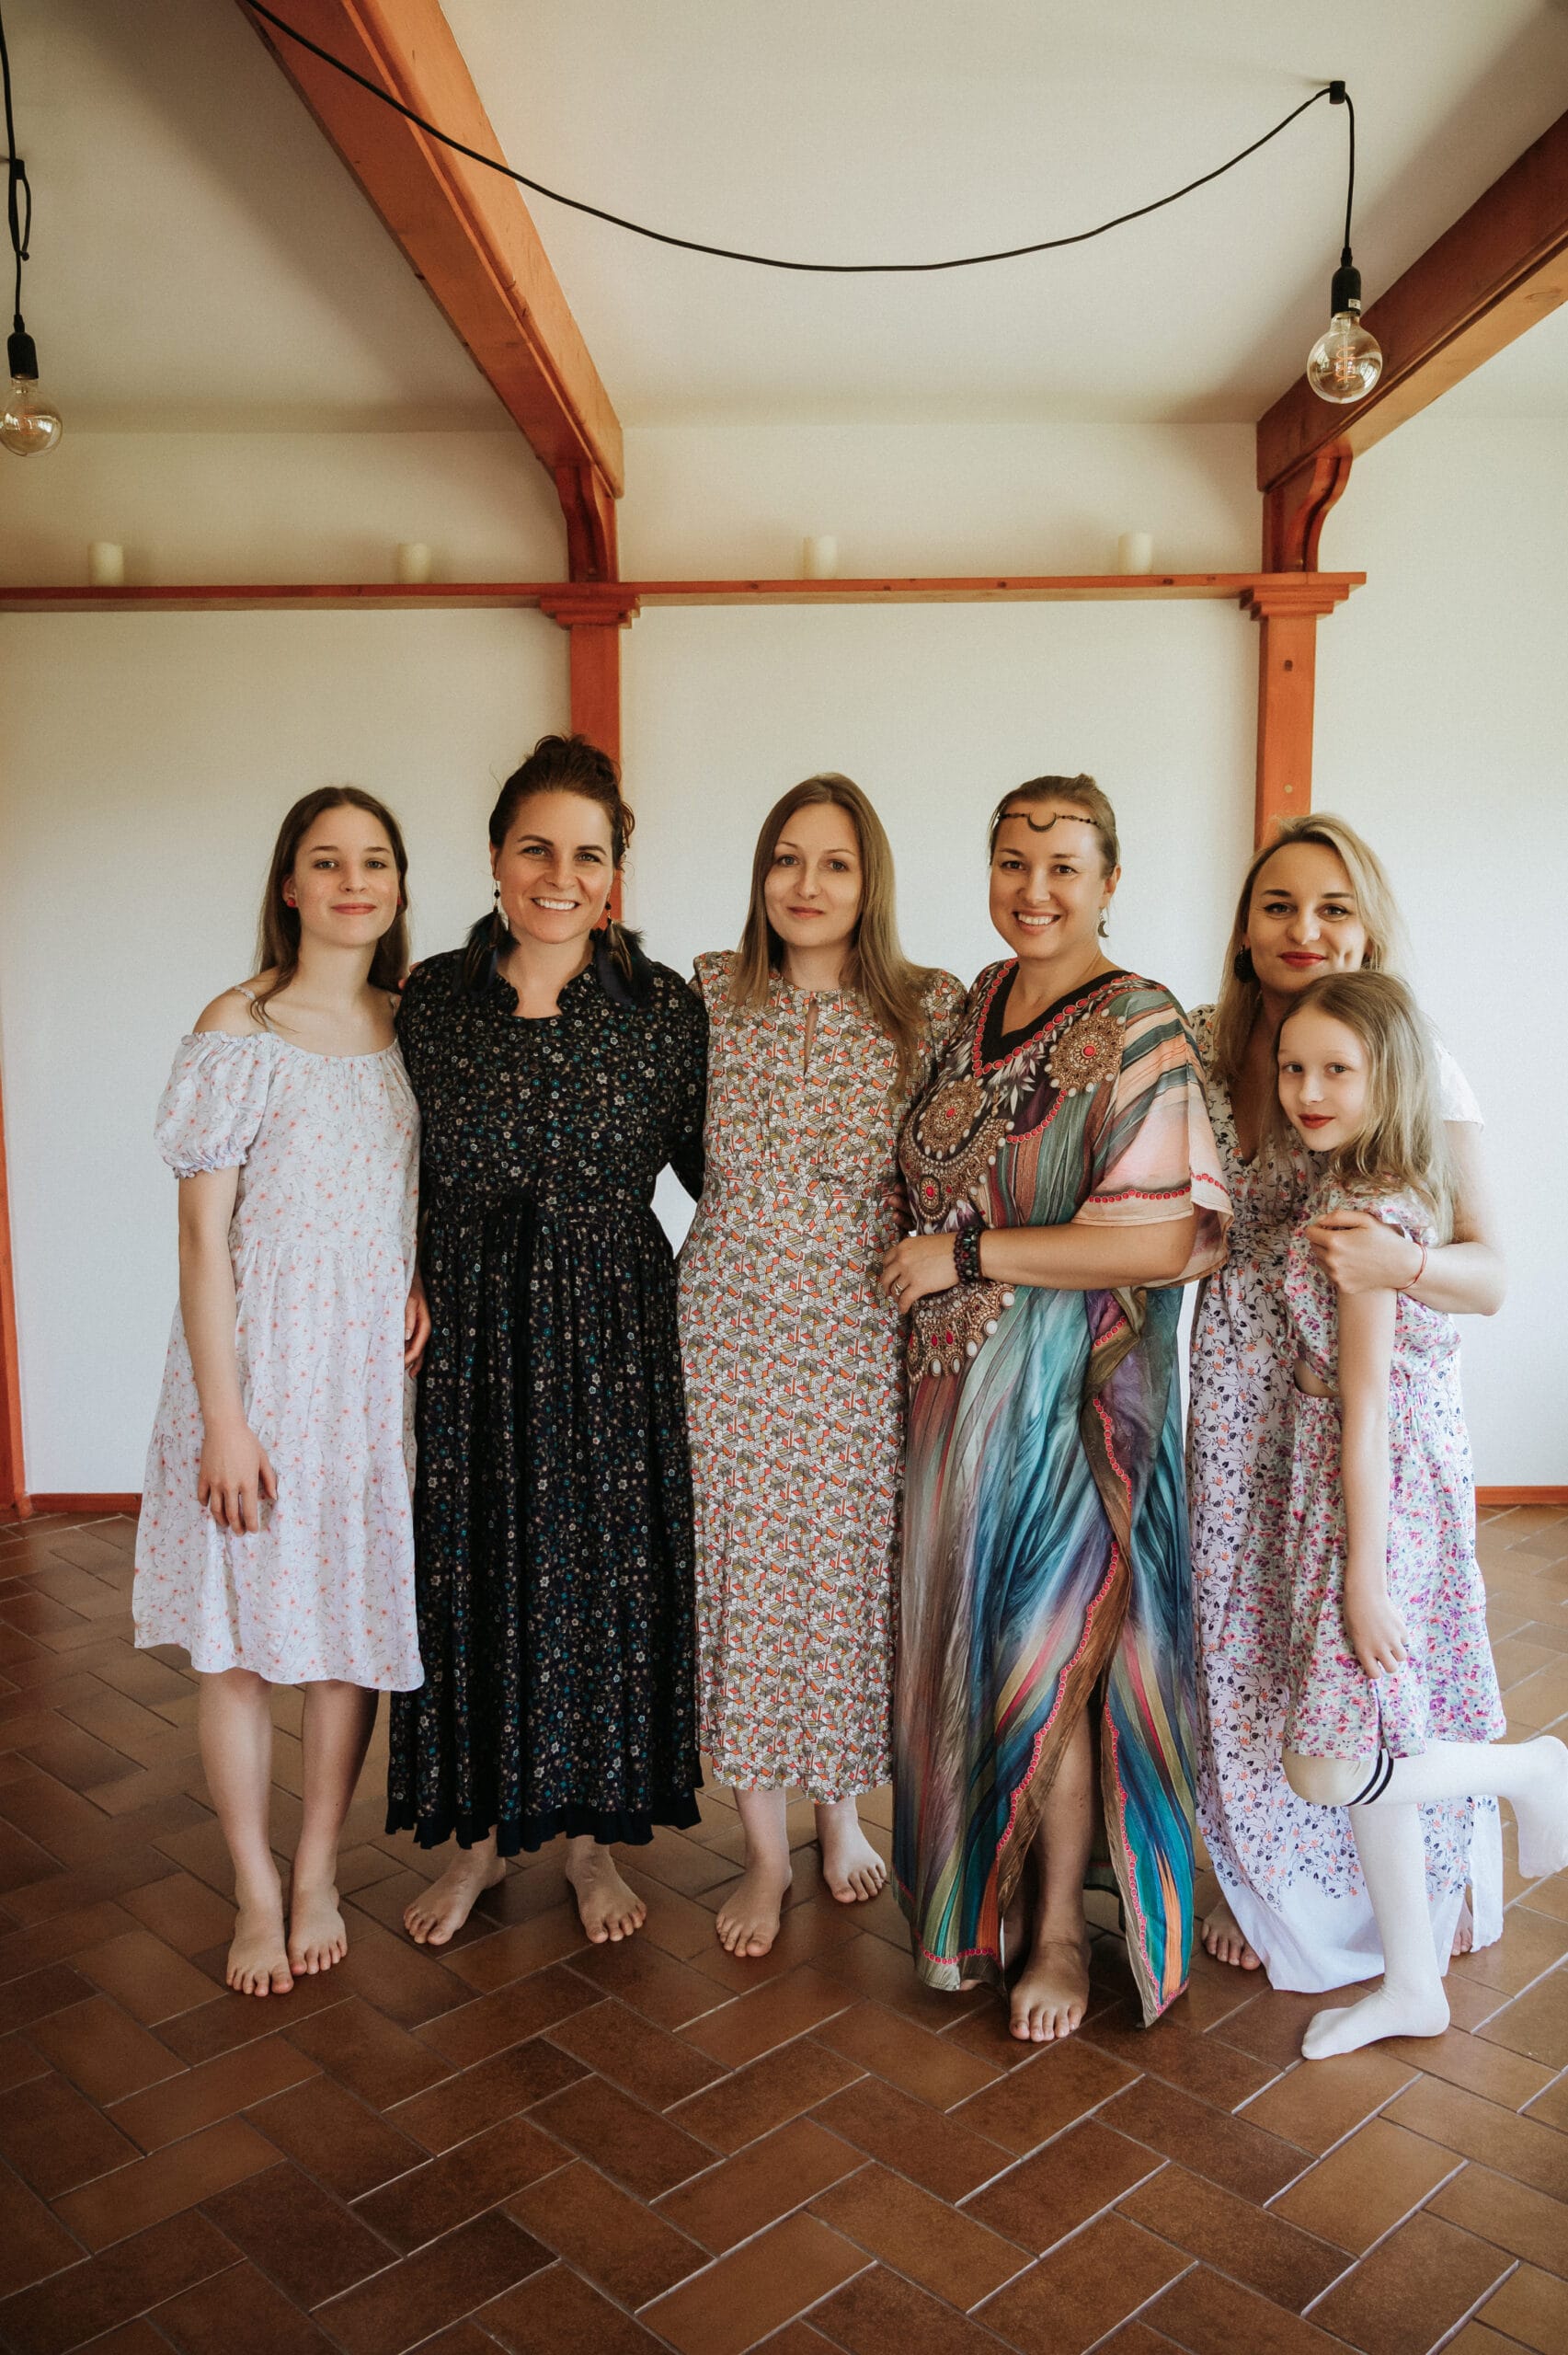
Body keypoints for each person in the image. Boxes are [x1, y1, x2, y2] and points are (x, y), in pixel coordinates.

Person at [884, 775, 1229, 2040]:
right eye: (1013, 862)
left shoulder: (1141, 1025)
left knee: (1056, 1655)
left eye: (1064, 867)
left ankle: (1062, 1936)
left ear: (1108, 882)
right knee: (981, 1654)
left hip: (1073, 1403)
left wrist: (968, 1257)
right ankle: (990, 1903)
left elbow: (1163, 1241)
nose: (1034, 890)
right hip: (951, 1404)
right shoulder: (967, 1004)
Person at [386, 733, 707, 1949]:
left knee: (598, 1578)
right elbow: (380, 1163)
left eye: (587, 854)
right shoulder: (430, 1000)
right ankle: (476, 1842)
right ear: (494, 857)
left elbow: (724, 1181)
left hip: (611, 1327)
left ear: (615, 869)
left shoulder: (663, 1011)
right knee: (468, 1570)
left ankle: (587, 1843)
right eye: (536, 849)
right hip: (468, 1326)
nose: (559, 877)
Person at [1188, 816, 1507, 1991]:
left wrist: (1399, 1265)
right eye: (1278, 904)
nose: (1305, 928)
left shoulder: (1407, 1057)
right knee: (1247, 1643)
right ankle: (1276, 1892)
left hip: (1363, 1395)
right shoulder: (1214, 1054)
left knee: (1373, 1649)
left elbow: (1490, 1272)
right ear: (1244, 927)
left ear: (1367, 927)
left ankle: (1408, 1896)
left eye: (1332, 906)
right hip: (1242, 1398)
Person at [136, 788, 426, 1998]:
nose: (354, 881)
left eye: (375, 861)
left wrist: (418, 1278)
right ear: (292, 885)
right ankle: (253, 1888)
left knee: (346, 1637)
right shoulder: (238, 1025)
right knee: (240, 1651)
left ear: (398, 886)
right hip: (253, 1375)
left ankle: (316, 1873)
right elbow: (202, 1241)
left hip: (362, 1389)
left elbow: (411, 1189)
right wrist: (225, 1420)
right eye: (328, 860)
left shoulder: (411, 1024)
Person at [680, 775, 964, 1958]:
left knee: (848, 1576)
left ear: (869, 879)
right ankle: (760, 1850)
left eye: (834, 863)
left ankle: (841, 1812)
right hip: (729, 1325)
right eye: (785, 859)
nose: (806, 884)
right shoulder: (708, 991)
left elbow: (964, 1162)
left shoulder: (927, 1007)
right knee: (745, 1576)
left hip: (860, 1330)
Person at [1272, 971, 1567, 2058]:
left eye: (1335, 1071)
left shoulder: (1365, 1214)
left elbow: (1366, 1408)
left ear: (1388, 1079)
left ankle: (1531, 1769)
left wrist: (1361, 1573)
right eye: (1293, 1067)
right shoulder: (1356, 1181)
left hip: (1372, 1491)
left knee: (1328, 1761)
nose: (1308, 1090)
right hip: (1354, 1481)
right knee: (1372, 1739)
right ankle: (1411, 1984)